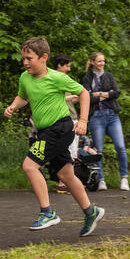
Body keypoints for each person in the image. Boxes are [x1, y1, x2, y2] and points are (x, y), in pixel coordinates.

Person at [4, 37, 104, 237]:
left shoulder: (57, 77)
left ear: (44, 58)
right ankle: (91, 212)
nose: (25, 62)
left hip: (60, 128)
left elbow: (84, 93)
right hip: (44, 131)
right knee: (66, 175)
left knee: (29, 166)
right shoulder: (25, 77)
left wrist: (83, 121)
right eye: (23, 58)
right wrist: (14, 105)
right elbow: (23, 96)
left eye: (29, 58)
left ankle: (47, 212)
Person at [81, 52, 130, 191]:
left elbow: (116, 93)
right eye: (99, 61)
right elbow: (87, 96)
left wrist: (100, 94)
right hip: (96, 116)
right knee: (98, 149)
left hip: (112, 115)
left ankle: (124, 178)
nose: (102, 63)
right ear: (92, 62)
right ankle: (100, 180)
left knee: (120, 147)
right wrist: (105, 94)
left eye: (103, 61)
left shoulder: (108, 75)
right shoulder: (87, 77)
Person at [51, 54, 79, 193]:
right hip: (65, 120)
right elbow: (53, 97)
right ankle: (65, 183)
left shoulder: (64, 79)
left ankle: (66, 182)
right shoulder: (54, 78)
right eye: (67, 66)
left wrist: (75, 98)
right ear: (59, 65)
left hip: (71, 115)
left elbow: (66, 99)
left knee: (70, 151)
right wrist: (69, 97)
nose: (69, 69)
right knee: (69, 151)